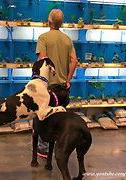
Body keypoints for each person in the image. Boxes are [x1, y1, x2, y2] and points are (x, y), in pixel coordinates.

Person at [34, 9, 78, 157]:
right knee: (59, 117)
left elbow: (43, 60)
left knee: (43, 117)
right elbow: (74, 61)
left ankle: (43, 148)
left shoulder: (43, 38)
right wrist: (68, 80)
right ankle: (59, 147)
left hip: (48, 87)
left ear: (49, 22)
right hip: (62, 88)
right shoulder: (67, 40)